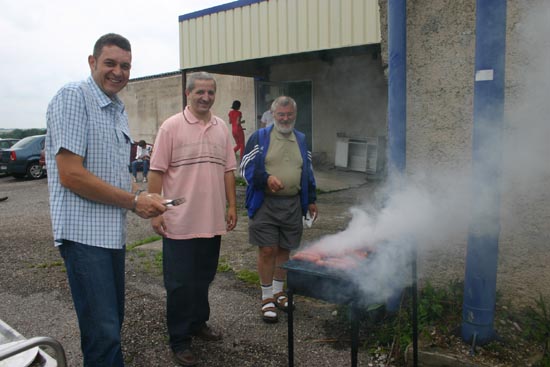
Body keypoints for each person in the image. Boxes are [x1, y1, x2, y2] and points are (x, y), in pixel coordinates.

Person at [45, 33, 167, 367]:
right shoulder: (74, 96)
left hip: (110, 236)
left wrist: (144, 198)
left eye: (125, 66)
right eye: (110, 63)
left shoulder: (117, 109)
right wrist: (133, 200)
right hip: (84, 237)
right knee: (104, 334)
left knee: (111, 327)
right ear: (92, 62)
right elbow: (71, 174)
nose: (118, 71)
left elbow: (112, 172)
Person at [148, 71, 238, 367]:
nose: (205, 97)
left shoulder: (221, 127)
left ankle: (198, 323)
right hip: (180, 222)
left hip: (211, 220)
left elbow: (228, 170)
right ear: (188, 94)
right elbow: (156, 171)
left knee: (204, 278)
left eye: (210, 92)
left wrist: (231, 206)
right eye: (200, 92)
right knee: (179, 284)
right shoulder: (171, 127)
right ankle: (179, 339)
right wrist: (157, 211)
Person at [240, 96, 318, 323]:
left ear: (295, 114)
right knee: (267, 250)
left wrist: (311, 198)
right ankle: (266, 298)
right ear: (272, 115)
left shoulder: (301, 139)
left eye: (289, 114)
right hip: (265, 203)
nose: (285, 118)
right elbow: (244, 168)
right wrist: (266, 179)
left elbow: (308, 171)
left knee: (285, 249)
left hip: (293, 203)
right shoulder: (260, 137)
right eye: (281, 114)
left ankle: (278, 292)